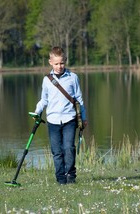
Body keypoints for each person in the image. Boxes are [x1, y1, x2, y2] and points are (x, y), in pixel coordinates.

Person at [34, 46, 87, 185]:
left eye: (62, 63)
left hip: (70, 119)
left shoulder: (73, 77)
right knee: (57, 151)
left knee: (69, 148)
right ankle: (60, 178)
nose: (59, 66)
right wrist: (37, 112)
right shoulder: (47, 80)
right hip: (52, 120)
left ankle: (71, 175)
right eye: (56, 63)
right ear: (50, 62)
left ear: (65, 61)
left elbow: (79, 99)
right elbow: (44, 99)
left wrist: (84, 117)